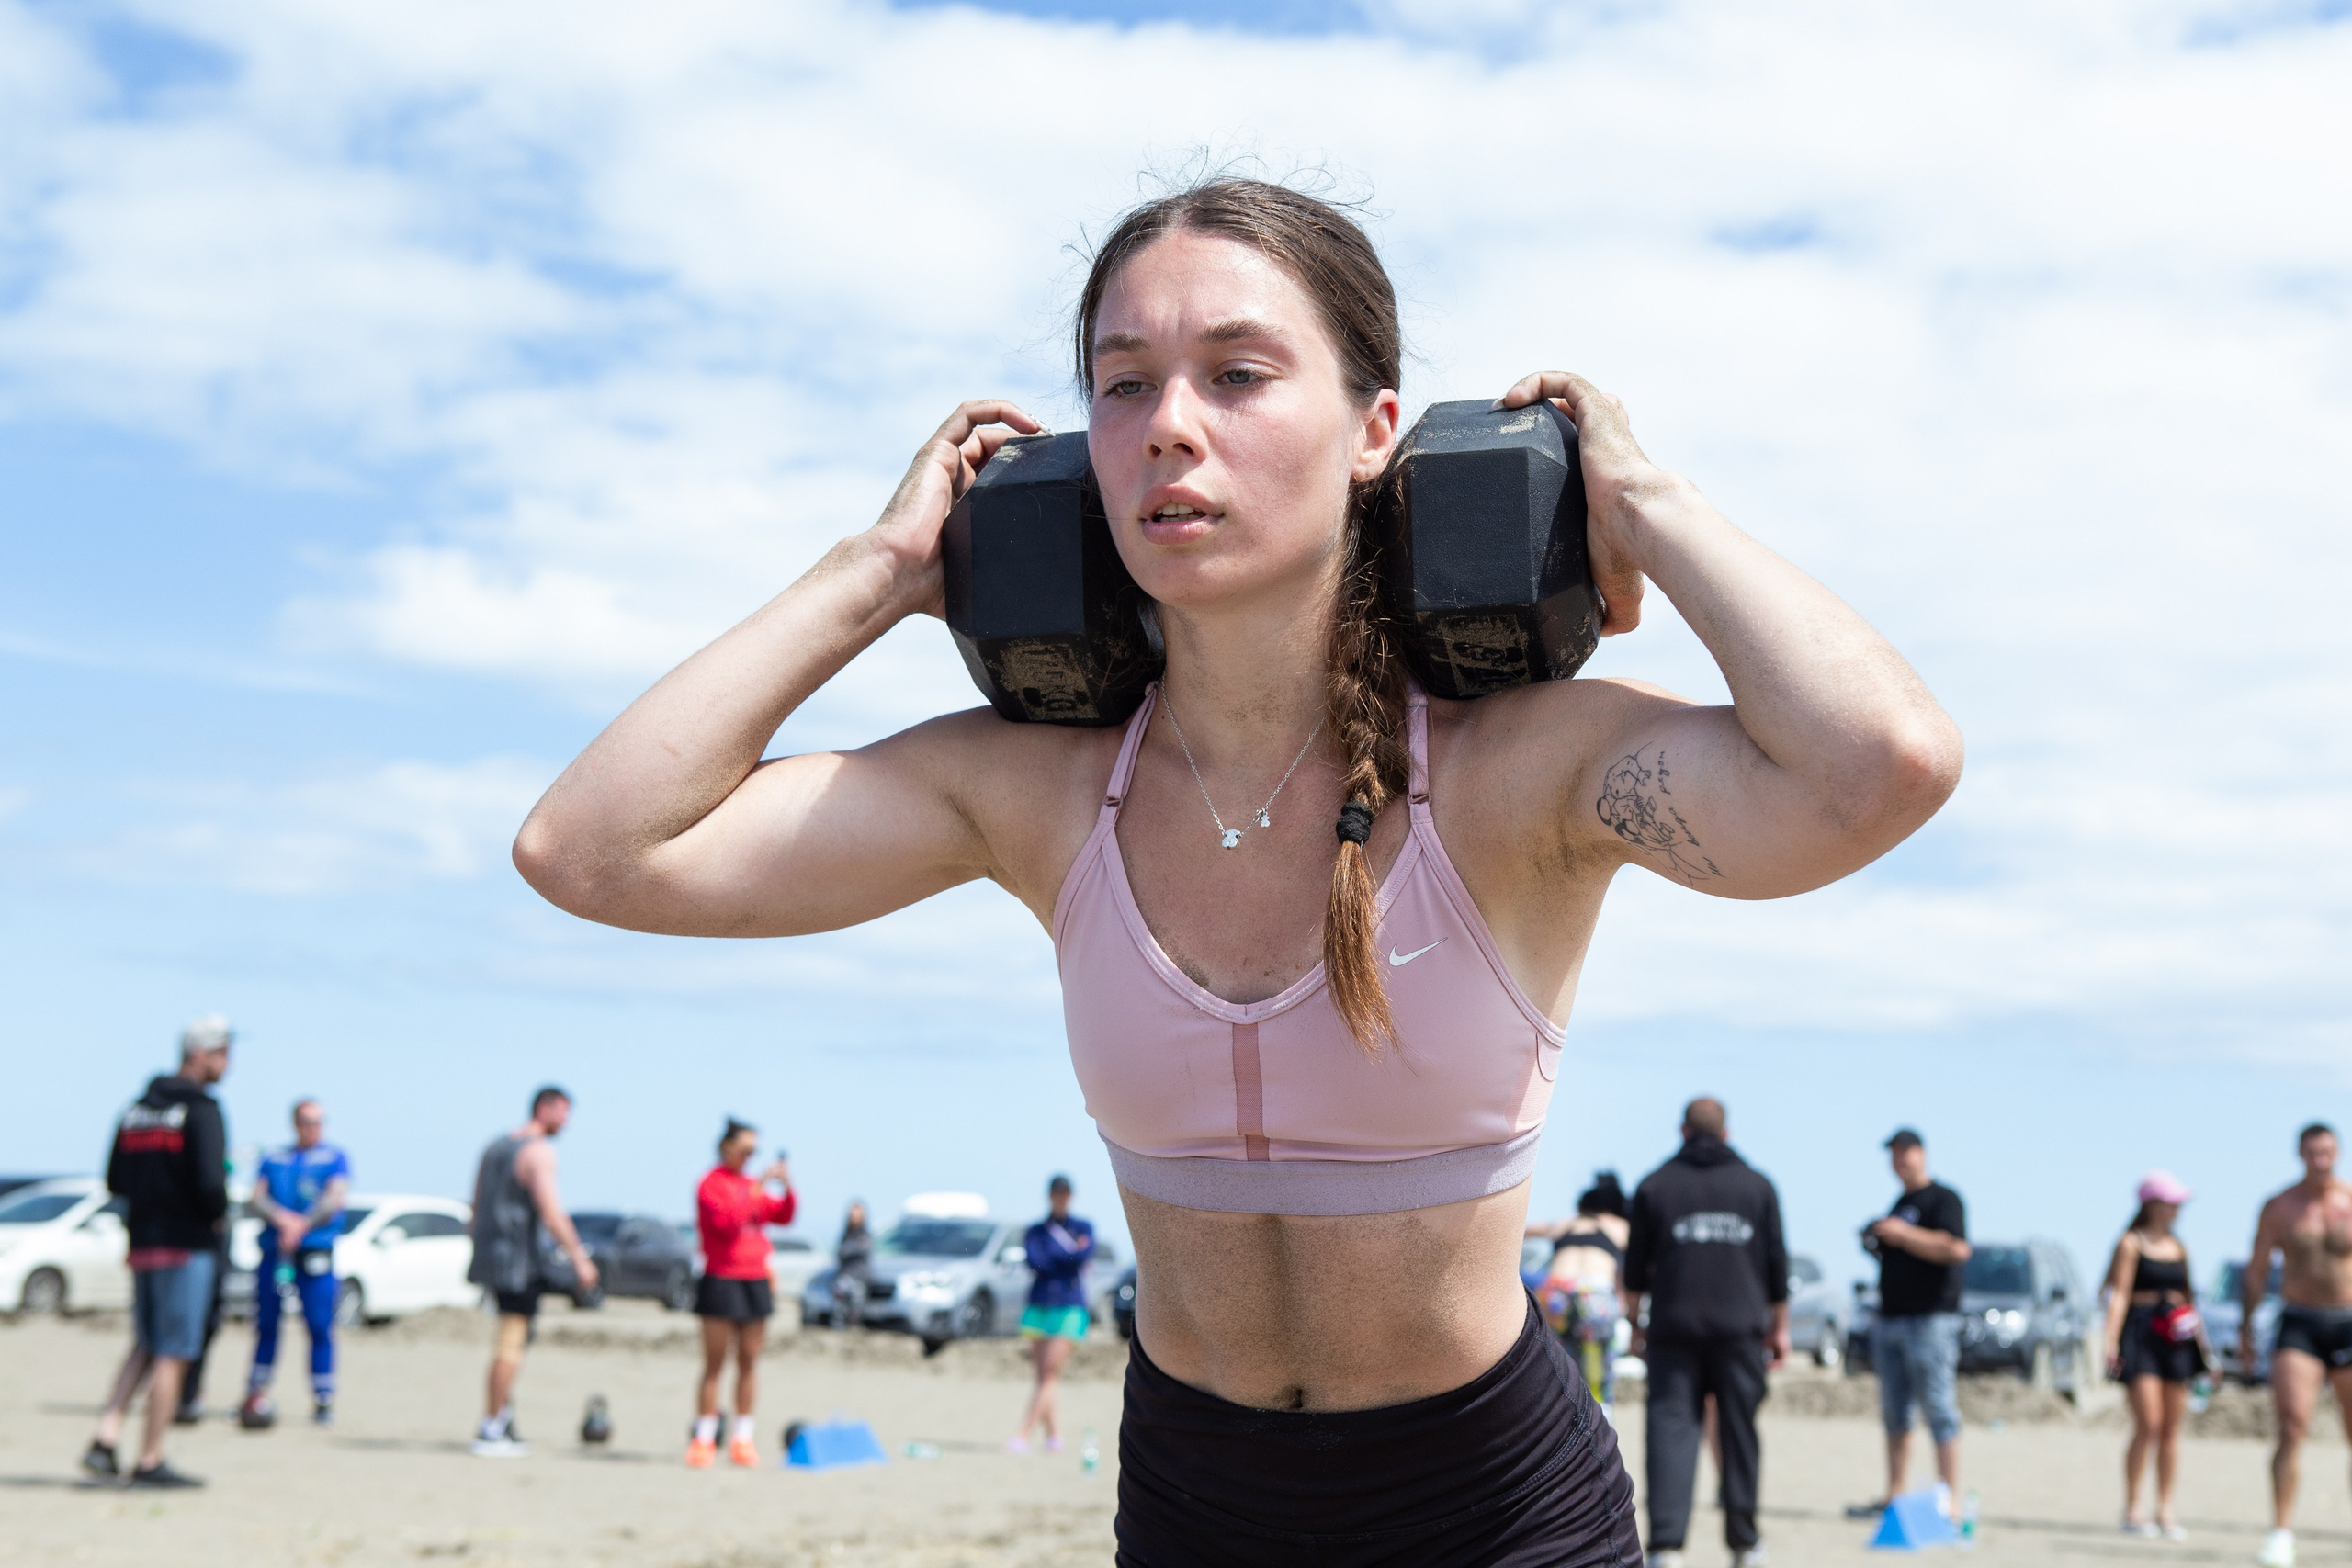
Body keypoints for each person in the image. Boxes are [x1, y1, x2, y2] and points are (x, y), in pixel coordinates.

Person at [509, 176, 1962, 1562]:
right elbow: (591, 850)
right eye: (1125, 381)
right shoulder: (1040, 788)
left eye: (1240, 374)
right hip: (1198, 1506)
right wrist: (877, 570)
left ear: (1378, 426)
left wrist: (1641, 504)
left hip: (1495, 1514)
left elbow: (1877, 765)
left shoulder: (1514, 769)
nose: (1168, 428)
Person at [1623, 1098, 1789, 1568]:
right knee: (1738, 1433)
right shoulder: (1757, 1187)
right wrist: (1781, 1329)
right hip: (1740, 1330)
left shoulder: (1655, 1186)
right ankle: (1744, 1543)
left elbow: (1634, 1273)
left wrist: (1636, 1325)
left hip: (1674, 1327)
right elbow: (1777, 1265)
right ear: (1726, 1135)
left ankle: (1666, 1548)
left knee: (1671, 1430)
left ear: (1682, 1133)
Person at [82, 1015, 232, 1487]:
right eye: (224, 1053)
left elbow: (114, 1180)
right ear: (201, 1054)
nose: (228, 1064)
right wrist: (214, 1214)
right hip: (186, 1246)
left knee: (146, 1344)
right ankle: (150, 1457)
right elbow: (211, 1182)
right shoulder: (202, 1109)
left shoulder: (135, 1110)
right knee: (174, 1351)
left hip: (142, 1243)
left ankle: (105, 1437)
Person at [464, 1085, 597, 1458]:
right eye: (564, 1112)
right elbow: (552, 1211)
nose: (567, 1122)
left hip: (492, 1259)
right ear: (545, 1107)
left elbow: (475, 1208)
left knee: (510, 1339)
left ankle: (502, 1419)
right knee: (512, 1342)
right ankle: (491, 1426)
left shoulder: (494, 1147)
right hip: (518, 1263)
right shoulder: (537, 1152)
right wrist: (579, 1259)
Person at [2243, 1123, 2352, 1568]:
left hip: (2349, 1319)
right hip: (2300, 1322)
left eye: (2327, 1152)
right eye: (2312, 1153)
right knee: (2291, 1425)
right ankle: (2281, 1531)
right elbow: (2255, 1270)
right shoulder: (2280, 1206)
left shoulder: (2349, 1201)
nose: (2320, 1161)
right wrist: (2246, 1329)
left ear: (2338, 1152)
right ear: (2300, 1155)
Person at [1854, 1127, 1972, 1519]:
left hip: (1931, 1320)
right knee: (1895, 1412)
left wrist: (1903, 1235)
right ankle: (1895, 1496)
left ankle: (1949, 1498)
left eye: (1906, 1152)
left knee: (1939, 1408)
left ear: (1922, 1154)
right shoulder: (1899, 1202)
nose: (1900, 1160)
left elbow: (1956, 1249)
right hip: (1891, 1319)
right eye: (1894, 1154)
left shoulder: (1944, 1198)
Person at [2098, 1171, 2203, 1541]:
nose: (2177, 1209)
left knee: (2172, 1429)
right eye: (2171, 1202)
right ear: (2151, 1204)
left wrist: (2203, 1348)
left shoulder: (2179, 1247)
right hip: (2140, 1334)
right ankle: (2132, 1505)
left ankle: (2166, 1506)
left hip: (2176, 1337)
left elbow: (2190, 1299)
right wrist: (2110, 1341)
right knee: (2149, 1423)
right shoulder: (2131, 1243)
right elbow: (2120, 1294)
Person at [688, 1118, 795, 1467]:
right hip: (721, 1277)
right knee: (714, 1363)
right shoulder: (710, 1184)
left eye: (754, 1151)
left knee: (749, 1361)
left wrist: (785, 1185)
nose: (750, 1156)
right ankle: (704, 1437)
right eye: (745, 1149)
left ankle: (743, 1437)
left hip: (755, 1278)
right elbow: (726, 1223)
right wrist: (758, 1188)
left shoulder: (752, 1184)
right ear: (727, 1147)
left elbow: (783, 1215)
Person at [239, 1099, 352, 1427]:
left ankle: (323, 1398)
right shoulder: (275, 1158)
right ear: (295, 1123)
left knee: (319, 1325)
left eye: (318, 1122)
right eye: (306, 1121)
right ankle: (255, 1393)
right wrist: (282, 1219)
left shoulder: (334, 1157)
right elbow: (256, 1196)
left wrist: (301, 1224)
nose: (312, 1128)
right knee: (267, 1324)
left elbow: (334, 1198)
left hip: (315, 1251)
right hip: (276, 1251)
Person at [1012, 1175, 1097, 1454]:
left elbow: (1083, 1258)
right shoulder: (1036, 1230)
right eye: (1057, 1194)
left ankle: (1023, 1434)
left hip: (1070, 1306)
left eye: (1065, 1194)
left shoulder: (1083, 1226)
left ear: (1071, 1197)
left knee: (1049, 1373)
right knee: (1042, 1375)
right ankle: (1054, 1436)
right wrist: (1069, 1255)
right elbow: (1035, 1261)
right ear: (1050, 1196)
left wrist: (1061, 1258)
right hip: (1039, 1304)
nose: (1061, 1198)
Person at [1529, 1171, 1630, 1406]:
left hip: (1557, 1290)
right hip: (1594, 1293)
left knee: (1555, 1365)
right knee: (1597, 1373)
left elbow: (1527, 1230)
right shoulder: (1619, 1226)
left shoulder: (1565, 1224)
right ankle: (1600, 1417)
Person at [833, 1200, 872, 1330]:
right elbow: (841, 1252)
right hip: (845, 1274)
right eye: (852, 1215)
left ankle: (853, 1330)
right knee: (839, 1306)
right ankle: (839, 1330)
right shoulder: (846, 1234)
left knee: (856, 1307)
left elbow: (861, 1251)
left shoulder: (865, 1234)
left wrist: (850, 1250)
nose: (853, 1218)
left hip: (859, 1276)